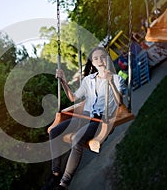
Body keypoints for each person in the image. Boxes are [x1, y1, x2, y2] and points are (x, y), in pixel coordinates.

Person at [41, 47, 126, 190]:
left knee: (76, 139)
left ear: (108, 59)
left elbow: (120, 102)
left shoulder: (117, 79)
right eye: (96, 58)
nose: (100, 60)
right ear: (92, 63)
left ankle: (64, 184)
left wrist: (110, 82)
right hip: (84, 116)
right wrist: (63, 81)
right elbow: (73, 97)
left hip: (99, 120)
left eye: (103, 57)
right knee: (54, 131)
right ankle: (55, 173)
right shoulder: (88, 80)